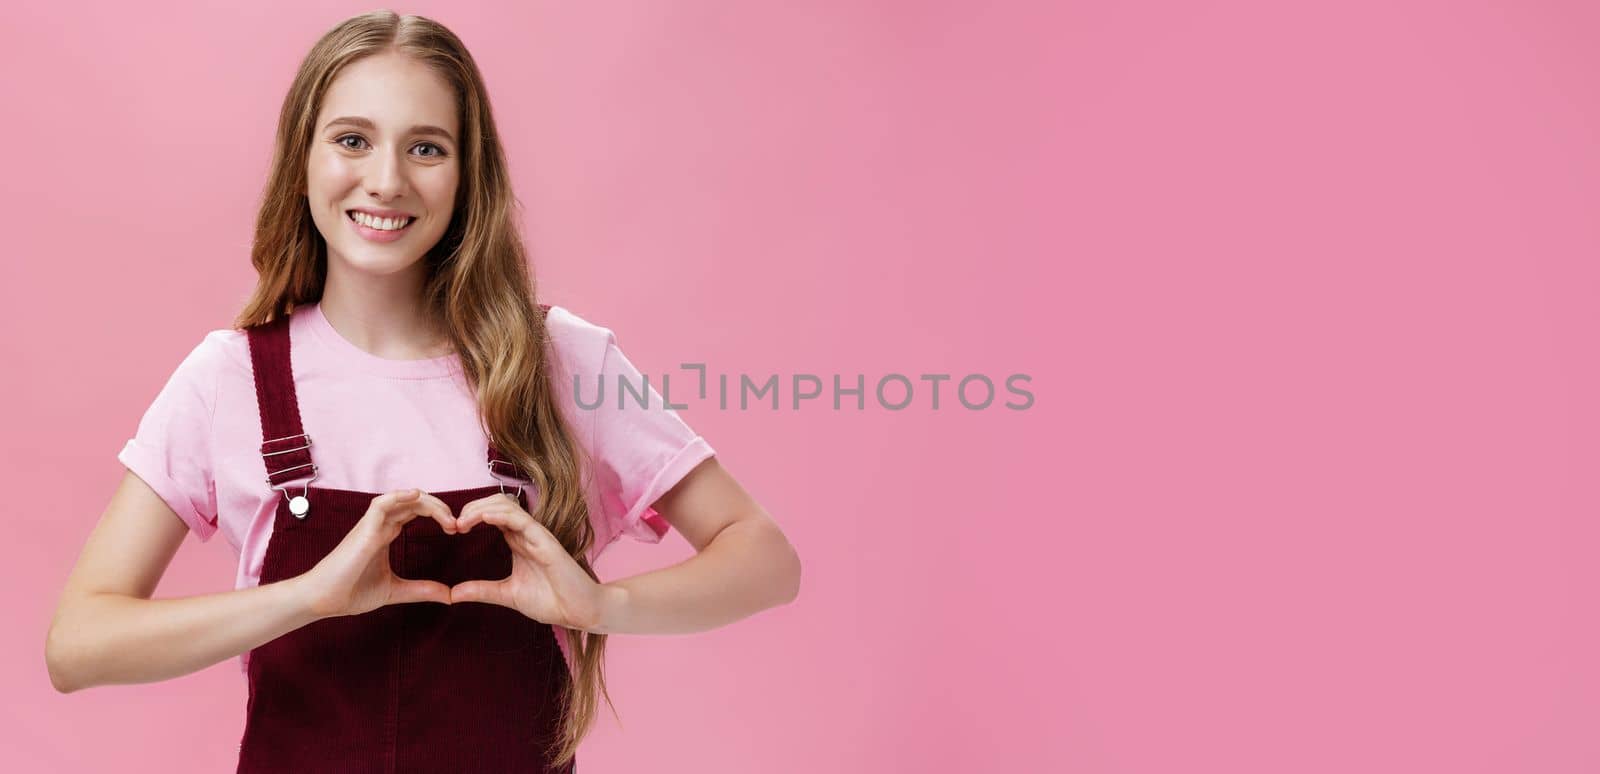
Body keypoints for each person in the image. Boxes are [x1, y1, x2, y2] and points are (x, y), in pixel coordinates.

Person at [43, 9, 802, 773]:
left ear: (470, 173)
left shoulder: (559, 362)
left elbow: (767, 560)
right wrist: (306, 597)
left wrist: (604, 608)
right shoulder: (229, 380)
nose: (386, 180)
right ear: (301, 158)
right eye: (352, 140)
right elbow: (77, 647)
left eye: (426, 148)